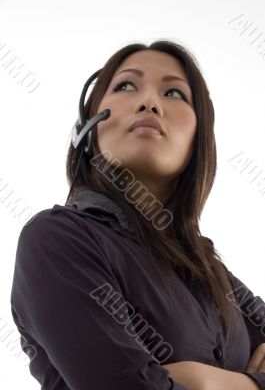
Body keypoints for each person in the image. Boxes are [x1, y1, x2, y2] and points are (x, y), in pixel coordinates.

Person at [10, 39, 265, 390]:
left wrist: (208, 382)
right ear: (89, 125)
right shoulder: (55, 240)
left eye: (174, 93)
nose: (149, 102)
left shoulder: (212, 272)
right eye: (126, 86)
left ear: (199, 138)